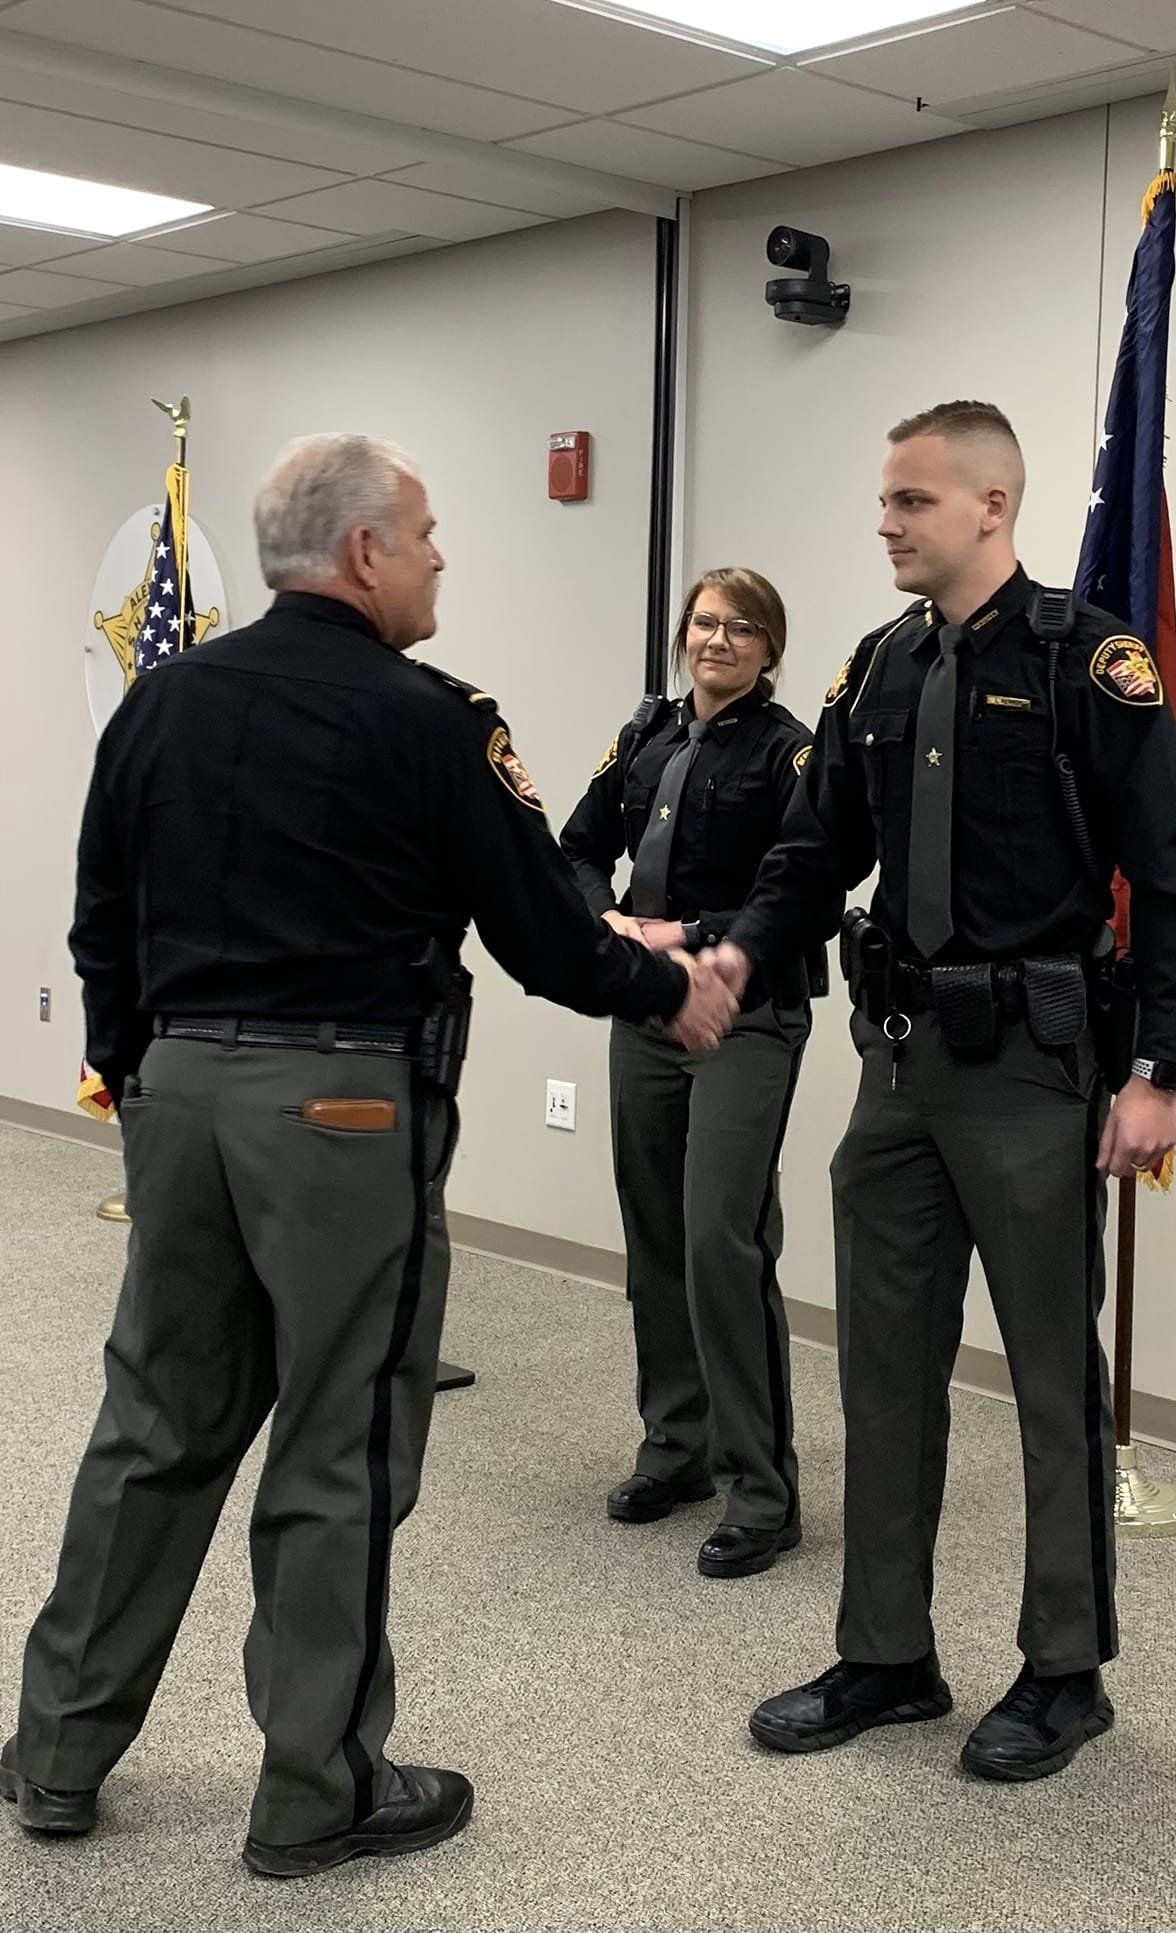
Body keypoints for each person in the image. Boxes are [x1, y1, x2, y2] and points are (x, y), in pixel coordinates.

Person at [0, 433, 734, 1878]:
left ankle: (57, 1751)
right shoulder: (432, 719)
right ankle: (314, 1789)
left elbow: (101, 914)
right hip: (342, 1114)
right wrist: (670, 989)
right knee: (343, 1436)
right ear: (362, 556)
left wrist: (144, 1071)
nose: (442, 554)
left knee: (156, 1422)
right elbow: (539, 930)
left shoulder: (163, 701)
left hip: (180, 1098)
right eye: (428, 533)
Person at [705, 400, 1176, 1782]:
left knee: (1052, 1379)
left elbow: (1172, 877)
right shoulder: (875, 670)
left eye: (912, 501)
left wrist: (1159, 1071)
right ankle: (888, 1652)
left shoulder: (1084, 661)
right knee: (883, 1372)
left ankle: (1065, 1670)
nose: (887, 521)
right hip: (902, 1068)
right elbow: (816, 853)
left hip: (1037, 1074)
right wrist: (743, 951)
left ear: (993, 505)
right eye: (885, 500)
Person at [559, 568, 835, 1576]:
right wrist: (607, 920)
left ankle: (762, 1489)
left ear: (769, 647)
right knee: (655, 1233)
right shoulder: (646, 737)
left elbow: (802, 885)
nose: (716, 639)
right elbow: (579, 847)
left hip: (747, 1014)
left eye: (741, 626)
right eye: (704, 622)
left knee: (722, 1234)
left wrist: (683, 932)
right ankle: (676, 1448)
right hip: (646, 1010)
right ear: (683, 635)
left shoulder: (789, 750)